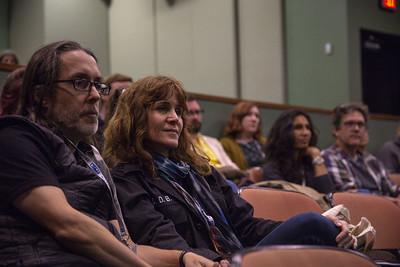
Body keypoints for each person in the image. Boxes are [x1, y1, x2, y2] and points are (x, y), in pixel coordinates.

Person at [0, 40, 220, 267]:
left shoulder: (90, 156)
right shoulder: (16, 137)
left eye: (98, 84)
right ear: (41, 95)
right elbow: (68, 225)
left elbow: (128, 247)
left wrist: (182, 259)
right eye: (81, 82)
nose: (96, 95)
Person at [104, 75, 354, 262]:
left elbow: (246, 226)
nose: (175, 118)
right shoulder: (127, 179)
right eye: (162, 109)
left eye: (178, 111)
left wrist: (315, 224)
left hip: (241, 256)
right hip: (209, 263)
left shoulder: (201, 171)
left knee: (323, 227)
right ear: (135, 119)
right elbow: (166, 243)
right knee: (313, 224)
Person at [322, 103, 399, 197]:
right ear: (336, 130)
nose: (356, 129)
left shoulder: (371, 160)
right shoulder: (329, 157)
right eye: (349, 124)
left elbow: (394, 190)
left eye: (360, 124)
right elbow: (354, 196)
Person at [261, 110, 335, 194]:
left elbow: (328, 195)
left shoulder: (310, 163)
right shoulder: (272, 167)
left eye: (308, 128)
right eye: (298, 127)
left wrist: (316, 155)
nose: (305, 133)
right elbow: (286, 196)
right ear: (284, 132)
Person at [186, 96, 245, 184]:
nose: (195, 117)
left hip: (227, 182)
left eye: (198, 112)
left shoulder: (213, 142)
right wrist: (222, 171)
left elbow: (233, 167)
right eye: (190, 113)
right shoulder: (181, 144)